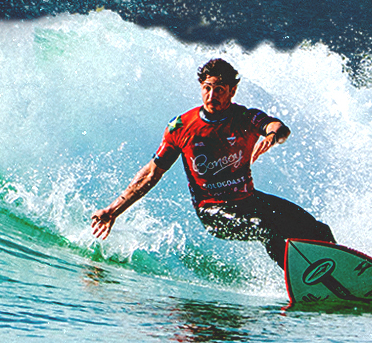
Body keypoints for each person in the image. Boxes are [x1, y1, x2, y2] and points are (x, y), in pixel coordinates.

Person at [91, 58, 334, 269]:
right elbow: (151, 174)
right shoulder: (181, 127)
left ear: (232, 90)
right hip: (213, 212)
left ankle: (347, 271)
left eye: (219, 89)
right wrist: (112, 211)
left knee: (317, 229)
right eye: (207, 88)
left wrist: (272, 136)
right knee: (266, 229)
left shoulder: (246, 117)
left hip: (249, 201)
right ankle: (309, 279)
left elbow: (278, 127)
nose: (212, 95)